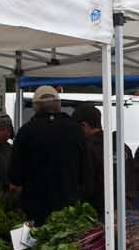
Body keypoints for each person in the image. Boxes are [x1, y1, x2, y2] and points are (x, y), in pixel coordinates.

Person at [8, 85, 86, 225]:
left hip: (36, 204)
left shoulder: (26, 131)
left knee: (37, 243)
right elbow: (85, 167)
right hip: (68, 202)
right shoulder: (76, 130)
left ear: (36, 107)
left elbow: (15, 174)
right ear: (59, 105)